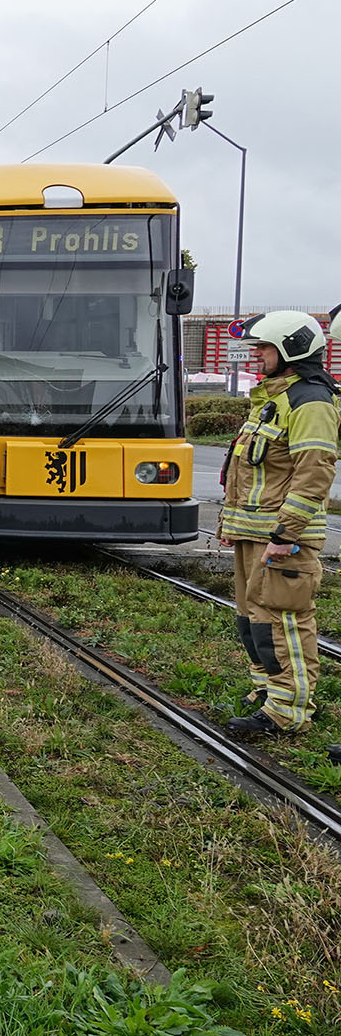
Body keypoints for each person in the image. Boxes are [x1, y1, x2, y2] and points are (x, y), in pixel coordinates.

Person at [218, 310, 340, 737]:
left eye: (266, 348)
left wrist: (285, 535)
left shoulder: (311, 403)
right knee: (253, 620)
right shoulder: (275, 399)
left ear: (291, 350)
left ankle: (289, 710)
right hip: (255, 535)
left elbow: (315, 473)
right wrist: (231, 524)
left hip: (283, 539)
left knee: (283, 621)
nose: (259, 357)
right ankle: (268, 693)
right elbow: (249, 472)